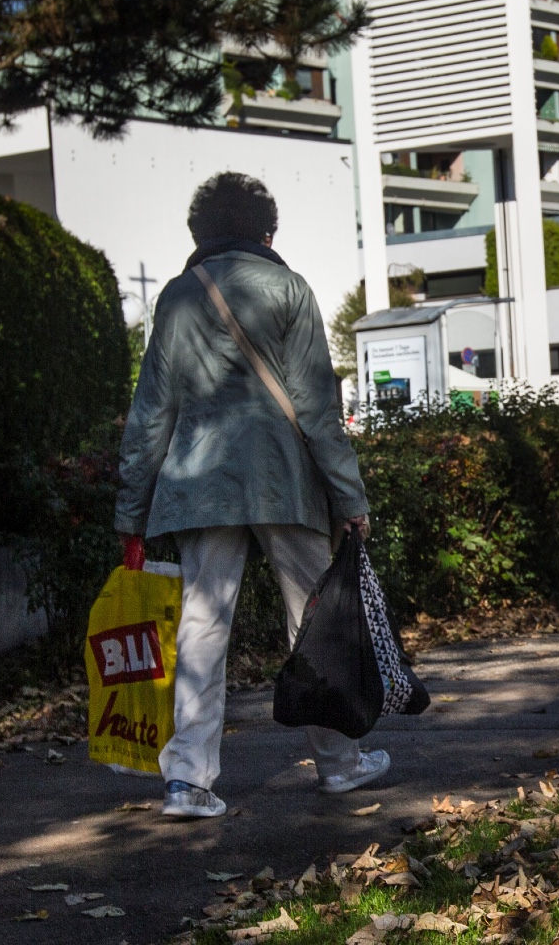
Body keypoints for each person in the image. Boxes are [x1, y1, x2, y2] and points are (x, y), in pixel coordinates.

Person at [116, 172, 389, 819]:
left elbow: (151, 411)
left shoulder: (178, 296)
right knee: (314, 621)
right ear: (267, 233)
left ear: (201, 232)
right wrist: (350, 497)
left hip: (198, 485)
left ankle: (187, 781)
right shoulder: (289, 289)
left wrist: (131, 513)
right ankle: (339, 764)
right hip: (282, 480)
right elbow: (317, 409)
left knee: (202, 625)